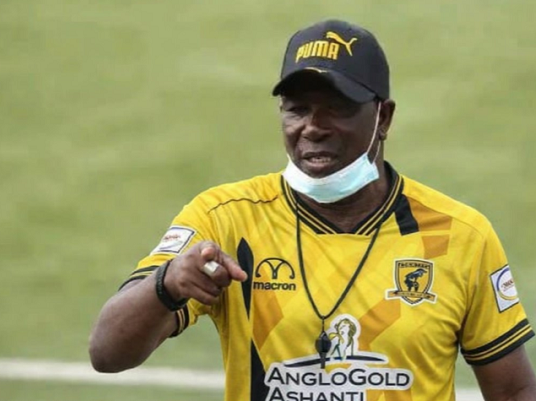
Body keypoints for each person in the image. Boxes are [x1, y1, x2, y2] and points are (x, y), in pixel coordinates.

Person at [89, 19, 536, 400]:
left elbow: (514, 390)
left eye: (336, 109)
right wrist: (167, 284)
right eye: (296, 110)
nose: (312, 127)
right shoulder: (224, 219)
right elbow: (107, 353)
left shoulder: (459, 235)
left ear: (383, 118)